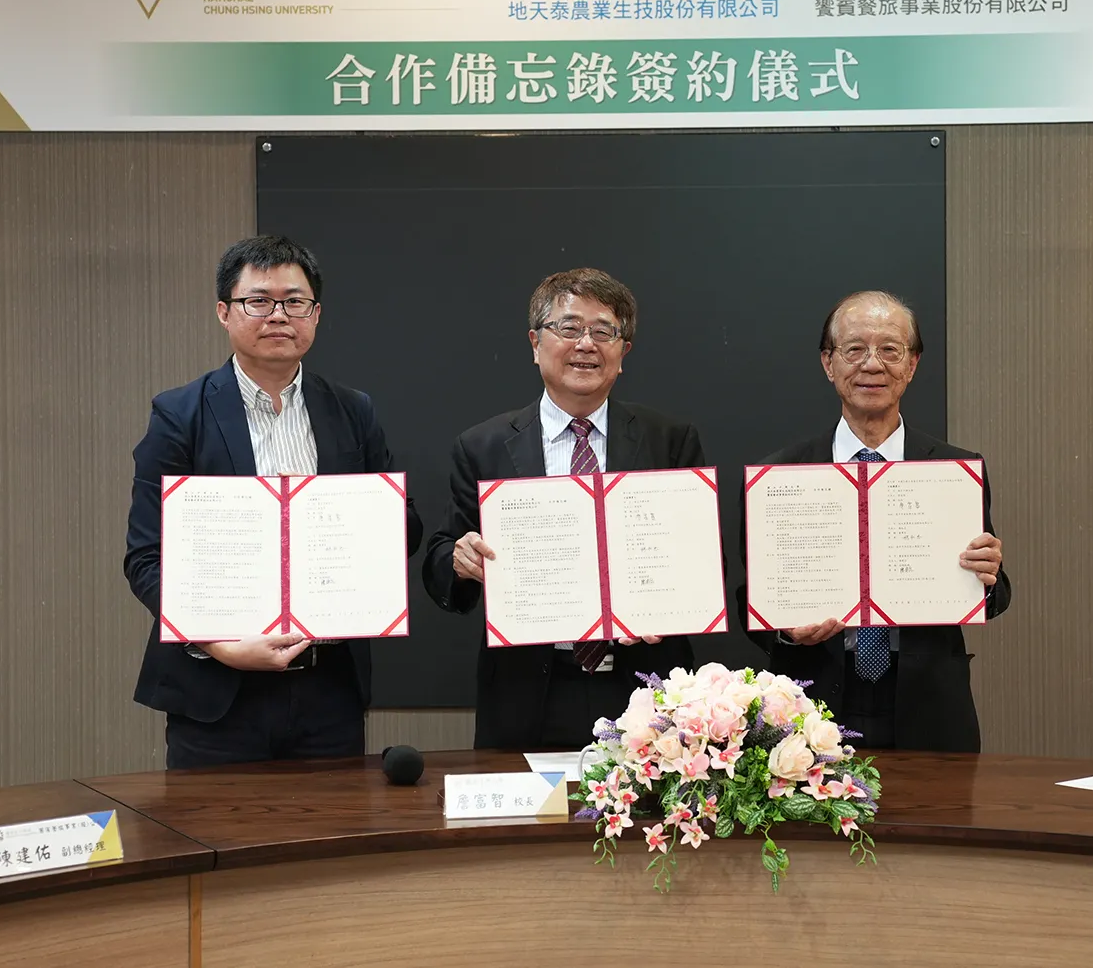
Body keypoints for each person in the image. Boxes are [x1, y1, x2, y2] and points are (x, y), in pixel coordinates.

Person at [124, 236, 422, 769]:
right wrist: (221, 645)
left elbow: (406, 529)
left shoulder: (353, 412)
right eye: (258, 301)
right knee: (213, 824)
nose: (279, 315)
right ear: (224, 312)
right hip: (216, 690)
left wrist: (358, 516)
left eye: (295, 301)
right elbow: (146, 558)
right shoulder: (179, 415)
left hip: (329, 690)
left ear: (316, 314)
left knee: (330, 824)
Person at [423, 268, 706, 750]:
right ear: (535, 344)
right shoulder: (483, 446)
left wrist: (673, 605)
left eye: (603, 331)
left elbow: (703, 561)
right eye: (569, 327)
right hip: (526, 690)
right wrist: (459, 559)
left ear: (624, 352)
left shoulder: (670, 441)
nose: (586, 344)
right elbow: (439, 558)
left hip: (645, 690)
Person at [741, 290, 1009, 753]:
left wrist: (987, 576)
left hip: (931, 706)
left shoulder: (954, 471)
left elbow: (995, 594)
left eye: (890, 349)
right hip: (812, 704)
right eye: (854, 349)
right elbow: (749, 594)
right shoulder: (779, 474)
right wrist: (784, 630)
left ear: (913, 364)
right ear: (828, 363)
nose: (872, 364)